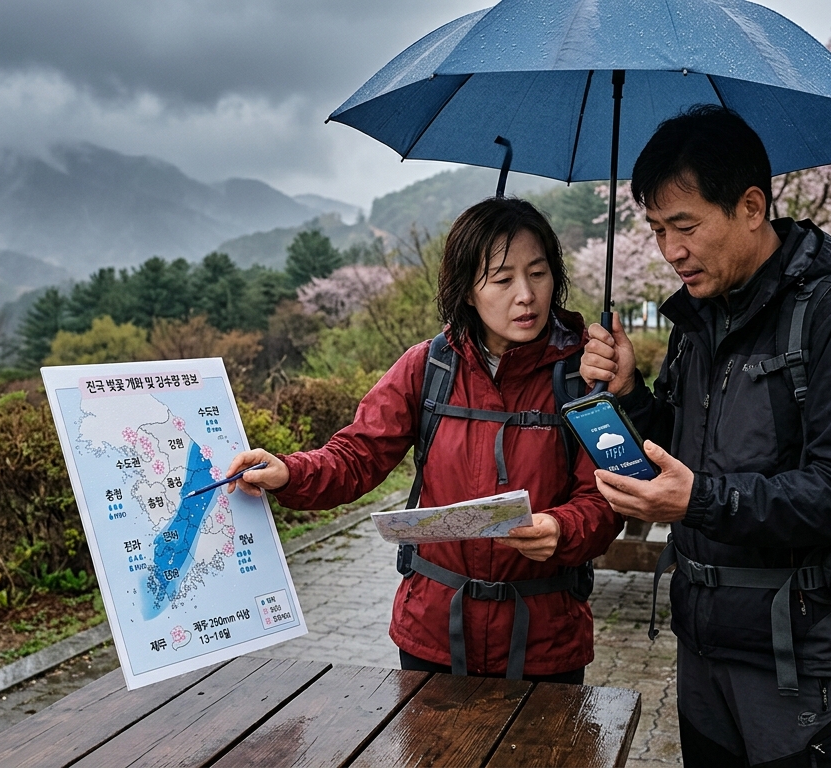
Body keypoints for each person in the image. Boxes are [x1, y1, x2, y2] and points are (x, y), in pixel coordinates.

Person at [581, 105, 831, 766]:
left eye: (685, 226)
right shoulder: (699, 322)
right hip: (704, 647)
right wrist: (630, 397)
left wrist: (697, 502)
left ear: (751, 207)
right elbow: (679, 451)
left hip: (801, 661)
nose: (671, 251)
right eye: (656, 229)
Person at [226, 197, 622, 683]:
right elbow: (357, 455)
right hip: (434, 634)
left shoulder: (584, 374)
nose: (526, 295)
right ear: (467, 291)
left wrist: (562, 528)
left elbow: (607, 496)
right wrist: (290, 471)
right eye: (502, 279)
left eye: (538, 274)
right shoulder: (428, 367)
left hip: (542, 641)